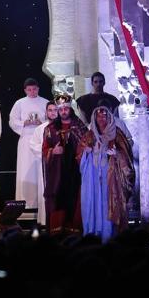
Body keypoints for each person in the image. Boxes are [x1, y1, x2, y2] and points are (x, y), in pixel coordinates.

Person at [79, 105, 134, 241]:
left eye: (104, 115)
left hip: (111, 177)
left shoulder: (117, 133)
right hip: (92, 177)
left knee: (108, 205)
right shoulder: (89, 135)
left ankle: (109, 236)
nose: (101, 118)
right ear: (94, 118)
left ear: (109, 117)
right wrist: (85, 154)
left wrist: (117, 154)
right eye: (98, 116)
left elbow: (127, 155)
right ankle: (94, 235)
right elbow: (79, 156)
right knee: (94, 204)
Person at [42, 94, 86, 235]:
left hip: (75, 172)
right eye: (61, 110)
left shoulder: (79, 127)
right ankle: (56, 230)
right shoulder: (50, 129)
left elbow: (87, 145)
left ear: (70, 109)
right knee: (56, 199)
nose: (63, 112)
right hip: (57, 173)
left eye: (66, 109)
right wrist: (52, 151)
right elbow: (44, 149)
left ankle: (74, 230)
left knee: (75, 199)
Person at [9, 77, 49, 206]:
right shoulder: (19, 103)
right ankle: (25, 204)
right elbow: (12, 121)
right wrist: (24, 123)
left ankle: (41, 204)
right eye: (29, 90)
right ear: (25, 90)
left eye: (34, 89)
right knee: (25, 171)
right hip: (26, 139)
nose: (32, 92)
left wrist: (41, 123)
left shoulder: (45, 102)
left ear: (38, 89)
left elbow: (52, 120)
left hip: (41, 140)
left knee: (40, 171)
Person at [29, 100, 59, 227]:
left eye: (55, 110)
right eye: (50, 110)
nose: (53, 113)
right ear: (46, 112)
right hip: (46, 165)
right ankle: (47, 221)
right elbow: (33, 145)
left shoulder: (63, 127)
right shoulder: (40, 129)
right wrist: (48, 151)